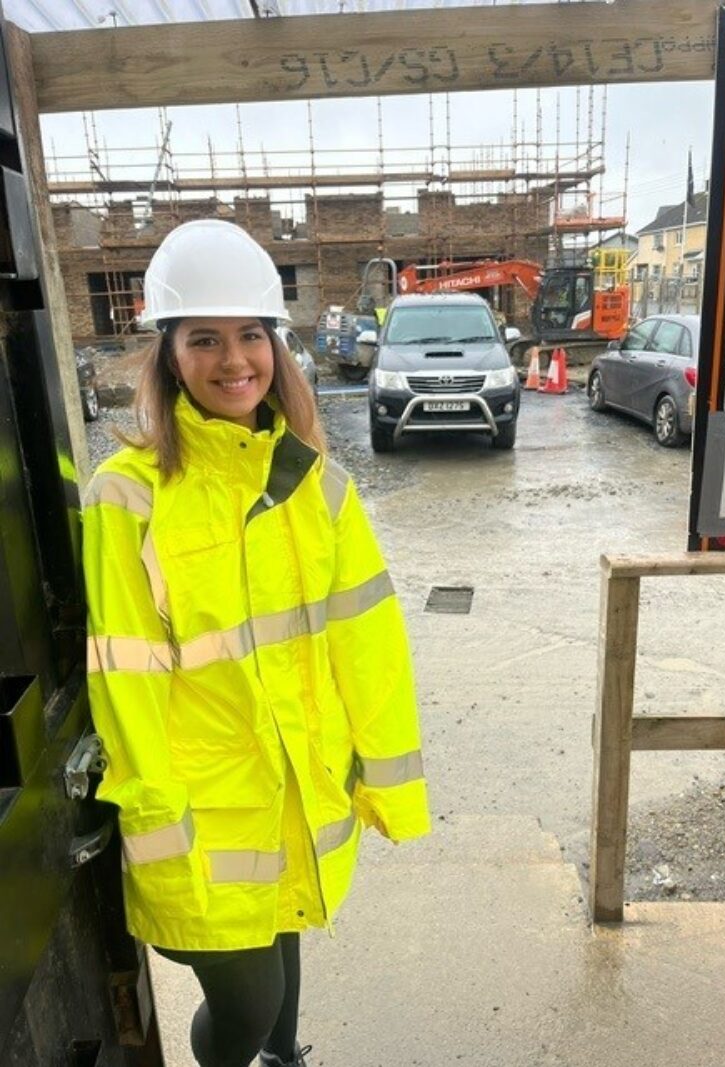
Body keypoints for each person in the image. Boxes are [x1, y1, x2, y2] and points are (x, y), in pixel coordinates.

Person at [82, 219, 431, 1067]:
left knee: (287, 949)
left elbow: (371, 645)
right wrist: (155, 814)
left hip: (299, 793)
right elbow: (125, 673)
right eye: (204, 338)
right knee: (247, 1006)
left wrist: (389, 783)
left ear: (276, 345)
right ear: (168, 354)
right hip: (201, 816)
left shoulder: (317, 484)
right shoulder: (127, 495)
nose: (233, 360)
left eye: (250, 335)